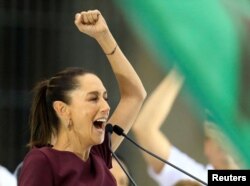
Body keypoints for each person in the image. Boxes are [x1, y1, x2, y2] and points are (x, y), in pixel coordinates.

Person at [18, 9, 146, 186]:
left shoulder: (99, 154)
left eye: (105, 98)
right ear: (63, 109)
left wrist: (104, 36)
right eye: (93, 98)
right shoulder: (43, 161)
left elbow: (135, 95)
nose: (106, 107)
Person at [131, 68, 240, 186]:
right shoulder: (193, 177)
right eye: (222, 135)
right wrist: (184, 65)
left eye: (235, 131)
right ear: (208, 146)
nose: (229, 141)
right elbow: (144, 128)